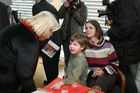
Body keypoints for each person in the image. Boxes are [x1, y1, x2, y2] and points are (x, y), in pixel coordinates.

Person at [0, 11, 60, 93]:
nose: (51, 34)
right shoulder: (29, 39)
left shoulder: (20, 27)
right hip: (4, 82)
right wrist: (34, 90)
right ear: (45, 28)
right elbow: (24, 74)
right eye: (51, 31)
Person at [107, 0, 140, 93]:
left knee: (127, 81)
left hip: (126, 51)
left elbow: (126, 28)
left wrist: (110, 32)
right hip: (135, 49)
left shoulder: (125, 4)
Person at [84, 20, 119, 93]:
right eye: (86, 28)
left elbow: (115, 63)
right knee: (92, 86)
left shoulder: (108, 45)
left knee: (99, 84)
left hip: (107, 74)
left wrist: (103, 71)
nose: (87, 30)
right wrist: (91, 72)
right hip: (91, 75)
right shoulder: (83, 45)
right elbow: (81, 65)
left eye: (90, 28)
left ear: (97, 29)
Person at [32, 0, 62, 85]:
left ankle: (51, 84)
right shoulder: (50, 6)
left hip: (49, 40)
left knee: (48, 65)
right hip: (57, 40)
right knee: (54, 63)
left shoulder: (36, 7)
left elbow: (38, 24)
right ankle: (54, 82)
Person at [58, 0, 87, 68]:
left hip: (76, 39)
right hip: (65, 37)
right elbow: (59, 15)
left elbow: (82, 21)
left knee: (75, 59)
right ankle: (68, 75)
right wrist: (64, 7)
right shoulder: (67, 4)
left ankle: (75, 76)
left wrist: (74, 11)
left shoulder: (83, 7)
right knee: (67, 59)